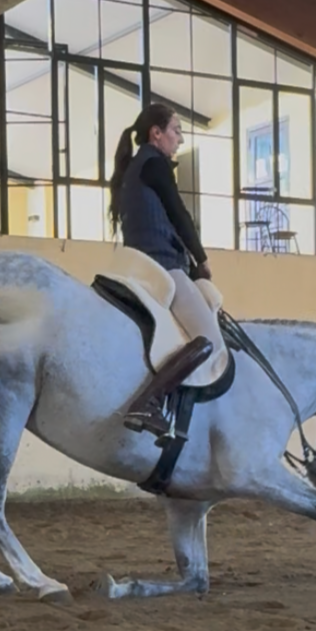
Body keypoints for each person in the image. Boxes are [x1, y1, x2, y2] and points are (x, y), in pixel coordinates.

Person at [108, 103, 222, 437]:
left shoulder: (134, 168)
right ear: (155, 133)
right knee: (209, 340)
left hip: (141, 264)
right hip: (163, 265)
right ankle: (149, 400)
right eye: (176, 130)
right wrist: (202, 260)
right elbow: (178, 213)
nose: (181, 140)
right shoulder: (154, 164)